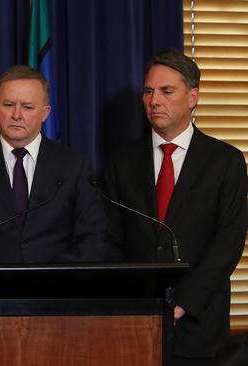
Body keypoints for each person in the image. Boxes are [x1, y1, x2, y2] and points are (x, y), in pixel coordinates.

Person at [0, 65, 107, 365]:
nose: (17, 115)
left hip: (56, 313)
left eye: (27, 107)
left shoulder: (73, 166)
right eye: (8, 105)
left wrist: (46, 280)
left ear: (45, 112)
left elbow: (94, 240)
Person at [103, 49, 248, 365]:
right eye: (148, 91)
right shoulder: (121, 161)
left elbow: (228, 243)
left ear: (192, 97)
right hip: (134, 322)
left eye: (167, 91)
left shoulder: (226, 162)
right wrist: (132, 300)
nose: (154, 100)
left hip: (199, 327)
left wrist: (182, 303)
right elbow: (110, 238)